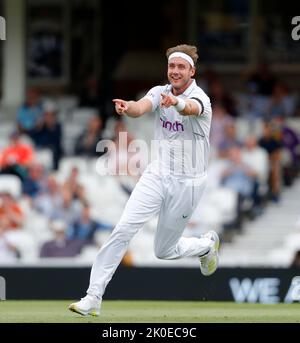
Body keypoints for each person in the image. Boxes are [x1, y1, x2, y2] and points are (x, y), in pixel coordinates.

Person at [69, 44, 220, 316]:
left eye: (180, 67)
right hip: (157, 174)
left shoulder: (201, 98)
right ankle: (93, 297)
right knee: (123, 229)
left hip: (188, 183)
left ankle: (205, 246)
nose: (175, 71)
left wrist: (178, 103)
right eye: (171, 66)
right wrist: (128, 107)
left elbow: (192, 109)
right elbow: (142, 107)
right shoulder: (159, 92)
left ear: (192, 71)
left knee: (164, 250)